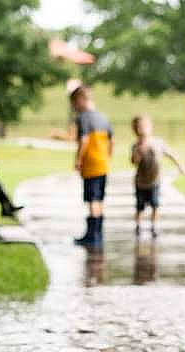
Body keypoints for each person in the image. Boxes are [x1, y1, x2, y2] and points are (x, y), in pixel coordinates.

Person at [71, 85, 113, 249]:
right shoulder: (104, 117)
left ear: (80, 100)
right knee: (99, 199)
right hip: (103, 163)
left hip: (91, 164)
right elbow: (112, 141)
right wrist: (107, 157)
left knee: (92, 199)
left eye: (74, 104)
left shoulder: (83, 118)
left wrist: (78, 160)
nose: (74, 108)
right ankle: (98, 233)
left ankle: (92, 235)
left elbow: (84, 140)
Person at [130, 114, 185, 237]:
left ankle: (154, 226)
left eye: (145, 126)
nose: (142, 129)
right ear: (135, 130)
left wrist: (180, 165)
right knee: (140, 206)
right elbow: (134, 162)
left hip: (155, 181)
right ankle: (138, 226)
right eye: (139, 127)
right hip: (140, 182)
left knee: (155, 204)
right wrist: (139, 151)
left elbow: (171, 154)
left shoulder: (158, 142)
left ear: (151, 127)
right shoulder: (136, 146)